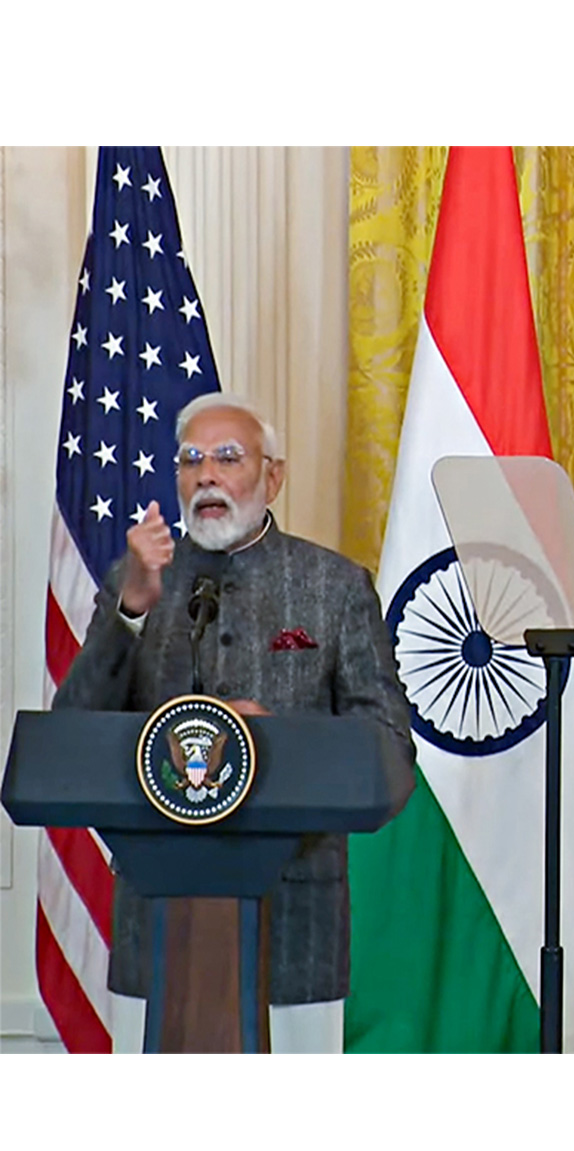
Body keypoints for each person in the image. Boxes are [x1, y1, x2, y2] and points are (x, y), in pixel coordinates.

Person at [53, 392, 415, 1053]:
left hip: (295, 931)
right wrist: (130, 610)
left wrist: (277, 742)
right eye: (191, 460)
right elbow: (72, 733)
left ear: (272, 477)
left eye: (228, 457)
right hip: (155, 930)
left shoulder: (333, 587)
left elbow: (389, 755)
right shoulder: (136, 581)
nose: (207, 476)